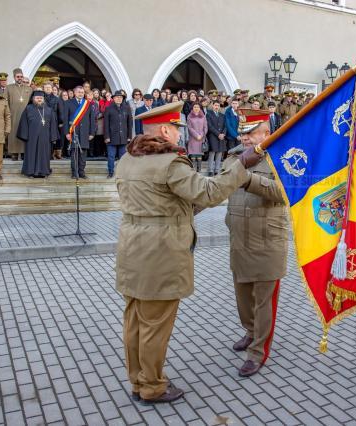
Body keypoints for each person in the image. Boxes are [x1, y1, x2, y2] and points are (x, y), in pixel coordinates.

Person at [115, 101, 263, 405]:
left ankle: (137, 380)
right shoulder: (170, 163)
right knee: (155, 325)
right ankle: (153, 386)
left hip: (132, 247)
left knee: (135, 320)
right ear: (166, 130)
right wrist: (240, 166)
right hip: (160, 251)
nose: (181, 136)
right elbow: (206, 191)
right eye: (178, 129)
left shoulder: (127, 159)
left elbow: (171, 199)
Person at [222, 108, 288, 377]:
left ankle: (258, 352)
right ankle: (250, 332)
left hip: (267, 239)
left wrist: (249, 178)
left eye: (251, 133)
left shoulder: (281, 157)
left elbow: (284, 193)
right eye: (243, 133)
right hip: (240, 238)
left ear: (266, 133)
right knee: (243, 298)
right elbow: (219, 186)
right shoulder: (233, 156)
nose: (246, 138)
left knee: (264, 302)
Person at [17, 90, 59, 178]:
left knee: (44, 155)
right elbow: (23, 123)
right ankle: (30, 172)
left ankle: (43, 172)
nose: (39, 99)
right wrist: (25, 136)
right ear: (33, 99)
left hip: (45, 137)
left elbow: (53, 124)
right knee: (31, 154)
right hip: (31, 137)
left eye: (41, 98)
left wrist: (53, 136)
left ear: (43, 99)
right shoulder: (28, 108)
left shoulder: (49, 110)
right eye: (37, 98)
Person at [64, 86, 95, 179]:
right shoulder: (68, 103)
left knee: (83, 153)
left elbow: (92, 119)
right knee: (74, 153)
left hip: (85, 133)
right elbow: (65, 119)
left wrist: (92, 133)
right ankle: (74, 172)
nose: (81, 94)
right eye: (78, 92)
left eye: (82, 92)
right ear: (74, 93)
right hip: (73, 132)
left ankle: (81, 172)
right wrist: (66, 133)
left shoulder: (88, 104)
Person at [6, 68, 33, 160]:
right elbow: (5, 103)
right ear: (14, 77)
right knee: (13, 134)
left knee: (24, 133)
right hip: (13, 115)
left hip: (26, 116)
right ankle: (14, 153)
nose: (20, 78)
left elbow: (31, 103)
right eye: (18, 77)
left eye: (21, 76)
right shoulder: (8, 88)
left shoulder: (29, 89)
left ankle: (23, 153)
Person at [104, 90, 132, 178]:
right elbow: (106, 124)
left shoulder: (127, 108)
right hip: (111, 137)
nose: (119, 99)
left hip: (123, 137)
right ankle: (111, 172)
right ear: (113, 98)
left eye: (121, 97)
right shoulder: (108, 108)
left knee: (123, 157)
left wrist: (129, 136)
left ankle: (122, 173)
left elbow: (129, 123)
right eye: (117, 97)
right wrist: (107, 136)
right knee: (111, 156)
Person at [206, 99, 226, 176]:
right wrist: (218, 134)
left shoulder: (222, 115)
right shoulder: (208, 114)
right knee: (212, 152)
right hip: (213, 136)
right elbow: (210, 126)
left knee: (219, 152)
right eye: (215, 105)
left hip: (221, 136)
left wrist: (223, 134)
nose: (217, 107)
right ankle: (210, 170)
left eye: (218, 105)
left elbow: (225, 126)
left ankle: (217, 170)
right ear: (213, 106)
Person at [42, 82, 62, 159]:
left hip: (54, 121)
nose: (48, 89)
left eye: (49, 87)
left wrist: (61, 121)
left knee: (52, 138)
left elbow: (60, 111)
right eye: (46, 87)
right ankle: (44, 154)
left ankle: (50, 155)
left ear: (51, 89)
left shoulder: (57, 99)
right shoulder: (41, 97)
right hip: (43, 121)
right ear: (43, 89)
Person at [186, 102, 207, 172]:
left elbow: (205, 127)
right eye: (195, 107)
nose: (196, 108)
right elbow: (189, 127)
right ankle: (193, 171)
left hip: (201, 138)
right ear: (192, 108)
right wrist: (196, 135)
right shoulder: (189, 116)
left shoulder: (203, 116)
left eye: (198, 107)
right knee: (193, 155)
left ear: (200, 108)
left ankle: (199, 171)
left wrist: (201, 135)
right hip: (193, 139)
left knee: (199, 156)